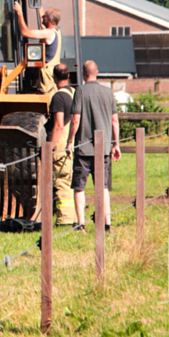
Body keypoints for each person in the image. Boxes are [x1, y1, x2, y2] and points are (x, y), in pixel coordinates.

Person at [66, 60, 120, 232]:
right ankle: (107, 223)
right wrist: (115, 144)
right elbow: (114, 121)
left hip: (83, 148)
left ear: (83, 73)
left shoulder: (80, 91)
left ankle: (81, 224)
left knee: (79, 187)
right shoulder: (108, 92)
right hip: (103, 148)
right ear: (97, 72)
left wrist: (69, 141)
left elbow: (75, 120)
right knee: (102, 186)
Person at [45, 63, 76, 225]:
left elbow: (58, 125)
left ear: (54, 77)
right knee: (71, 180)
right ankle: (74, 216)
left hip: (61, 143)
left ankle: (65, 219)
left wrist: (50, 147)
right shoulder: (74, 93)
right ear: (69, 76)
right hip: (74, 141)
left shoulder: (58, 97)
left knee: (61, 181)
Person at [12, 1, 62, 94]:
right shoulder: (56, 32)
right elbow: (43, 25)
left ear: (50, 20)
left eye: (44, 17)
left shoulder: (49, 33)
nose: (42, 18)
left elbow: (25, 32)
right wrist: (38, 6)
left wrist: (19, 13)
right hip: (51, 79)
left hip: (47, 82)